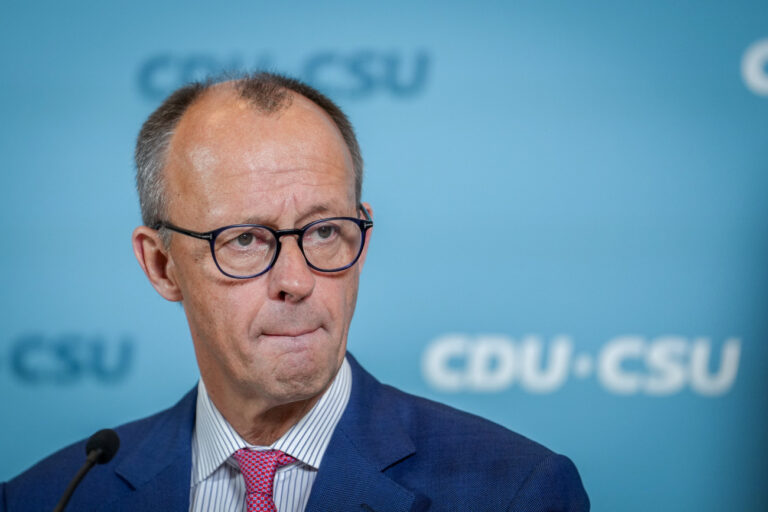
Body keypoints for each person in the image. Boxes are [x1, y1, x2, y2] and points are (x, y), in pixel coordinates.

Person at [0, 73, 589, 512]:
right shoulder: (50, 498)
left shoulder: (513, 489)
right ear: (162, 265)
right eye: (247, 240)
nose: (297, 281)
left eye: (326, 231)